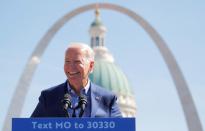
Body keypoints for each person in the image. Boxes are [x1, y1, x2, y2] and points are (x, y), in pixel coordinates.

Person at [31, 42, 122, 117]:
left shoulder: (108, 99)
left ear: (91, 66)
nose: (71, 67)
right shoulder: (48, 97)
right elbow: (29, 127)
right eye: (67, 62)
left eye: (77, 62)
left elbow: (122, 128)